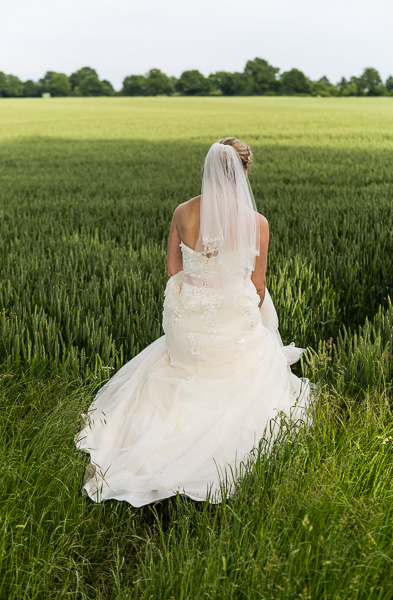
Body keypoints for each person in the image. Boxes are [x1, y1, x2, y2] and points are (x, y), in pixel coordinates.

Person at [75, 137, 311, 507]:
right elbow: (258, 285)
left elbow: (174, 270)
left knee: (181, 363)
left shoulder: (183, 212)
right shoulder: (257, 222)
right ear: (244, 174)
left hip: (188, 324)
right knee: (257, 351)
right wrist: (238, 309)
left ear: (207, 170)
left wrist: (198, 298)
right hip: (230, 320)